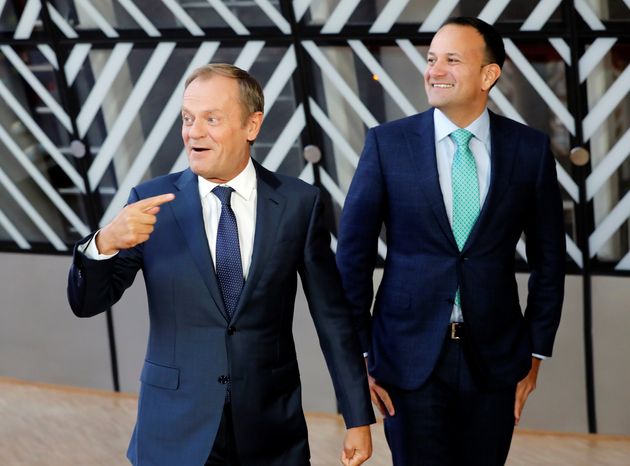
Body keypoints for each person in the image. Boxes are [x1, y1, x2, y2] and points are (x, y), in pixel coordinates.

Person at [67, 63, 374, 466]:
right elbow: (86, 303)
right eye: (188, 119)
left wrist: (356, 418)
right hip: (174, 430)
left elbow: (333, 320)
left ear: (252, 125)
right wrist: (105, 241)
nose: (193, 132)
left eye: (211, 119)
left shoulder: (299, 204)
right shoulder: (151, 202)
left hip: (271, 430)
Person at [336, 17, 565, 466]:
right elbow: (353, 259)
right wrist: (360, 354)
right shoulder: (387, 144)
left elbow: (549, 260)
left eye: (452, 60)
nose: (435, 70)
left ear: (488, 75)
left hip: (496, 360)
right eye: (431, 59)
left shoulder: (529, 150)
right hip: (405, 359)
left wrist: (535, 353)